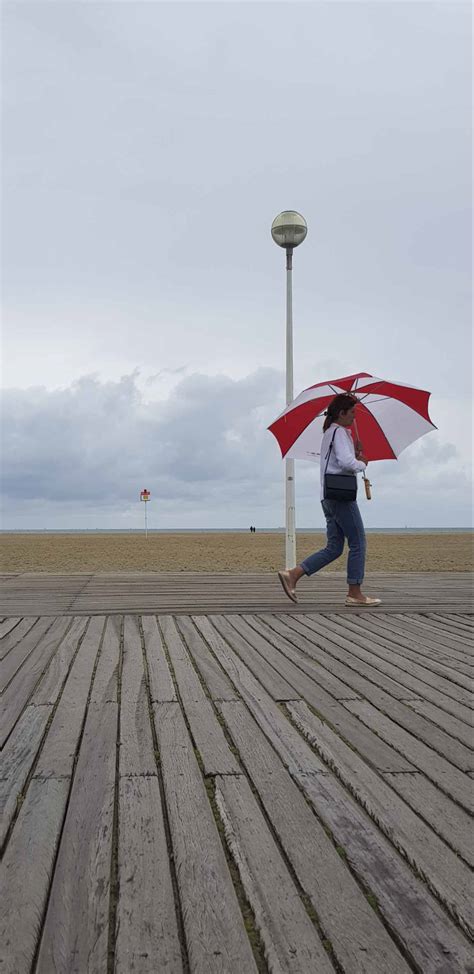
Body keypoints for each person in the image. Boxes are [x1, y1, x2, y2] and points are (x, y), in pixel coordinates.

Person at [278, 393, 381, 606]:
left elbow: (339, 460)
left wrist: (355, 453)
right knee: (358, 543)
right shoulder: (340, 432)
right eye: (352, 413)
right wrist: (362, 463)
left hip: (327, 496)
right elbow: (345, 463)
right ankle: (355, 593)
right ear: (341, 413)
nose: (354, 417)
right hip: (341, 497)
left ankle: (293, 575)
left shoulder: (329, 433)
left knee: (334, 547)